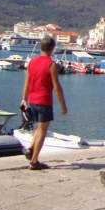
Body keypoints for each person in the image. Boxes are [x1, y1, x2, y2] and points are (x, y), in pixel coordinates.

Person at [19, 36, 68, 171]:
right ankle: (34, 161)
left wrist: (24, 99)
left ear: (41, 47)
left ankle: (31, 149)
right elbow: (57, 87)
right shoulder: (51, 64)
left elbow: (27, 82)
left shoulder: (32, 62)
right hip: (44, 101)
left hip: (32, 100)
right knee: (42, 130)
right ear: (52, 48)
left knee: (37, 128)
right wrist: (63, 106)